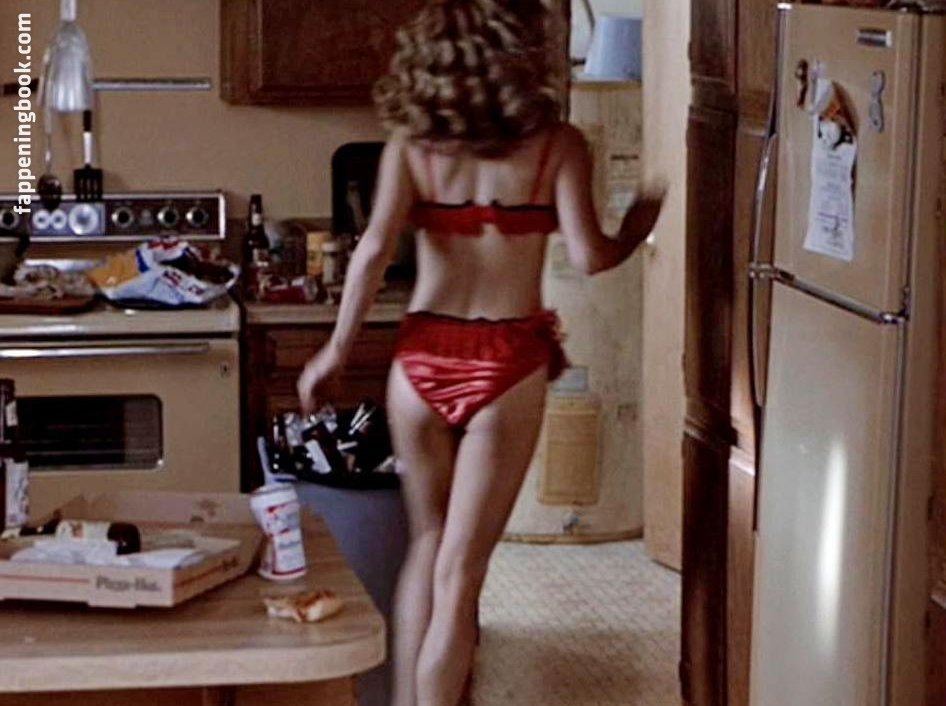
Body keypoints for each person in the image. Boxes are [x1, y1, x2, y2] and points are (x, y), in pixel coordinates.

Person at [297, 1, 666, 704]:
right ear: (520, 50)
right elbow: (590, 256)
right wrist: (635, 227)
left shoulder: (411, 145)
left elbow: (371, 253)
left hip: (421, 357)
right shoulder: (558, 145)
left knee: (426, 548)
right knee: (462, 572)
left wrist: (334, 353)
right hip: (507, 359)